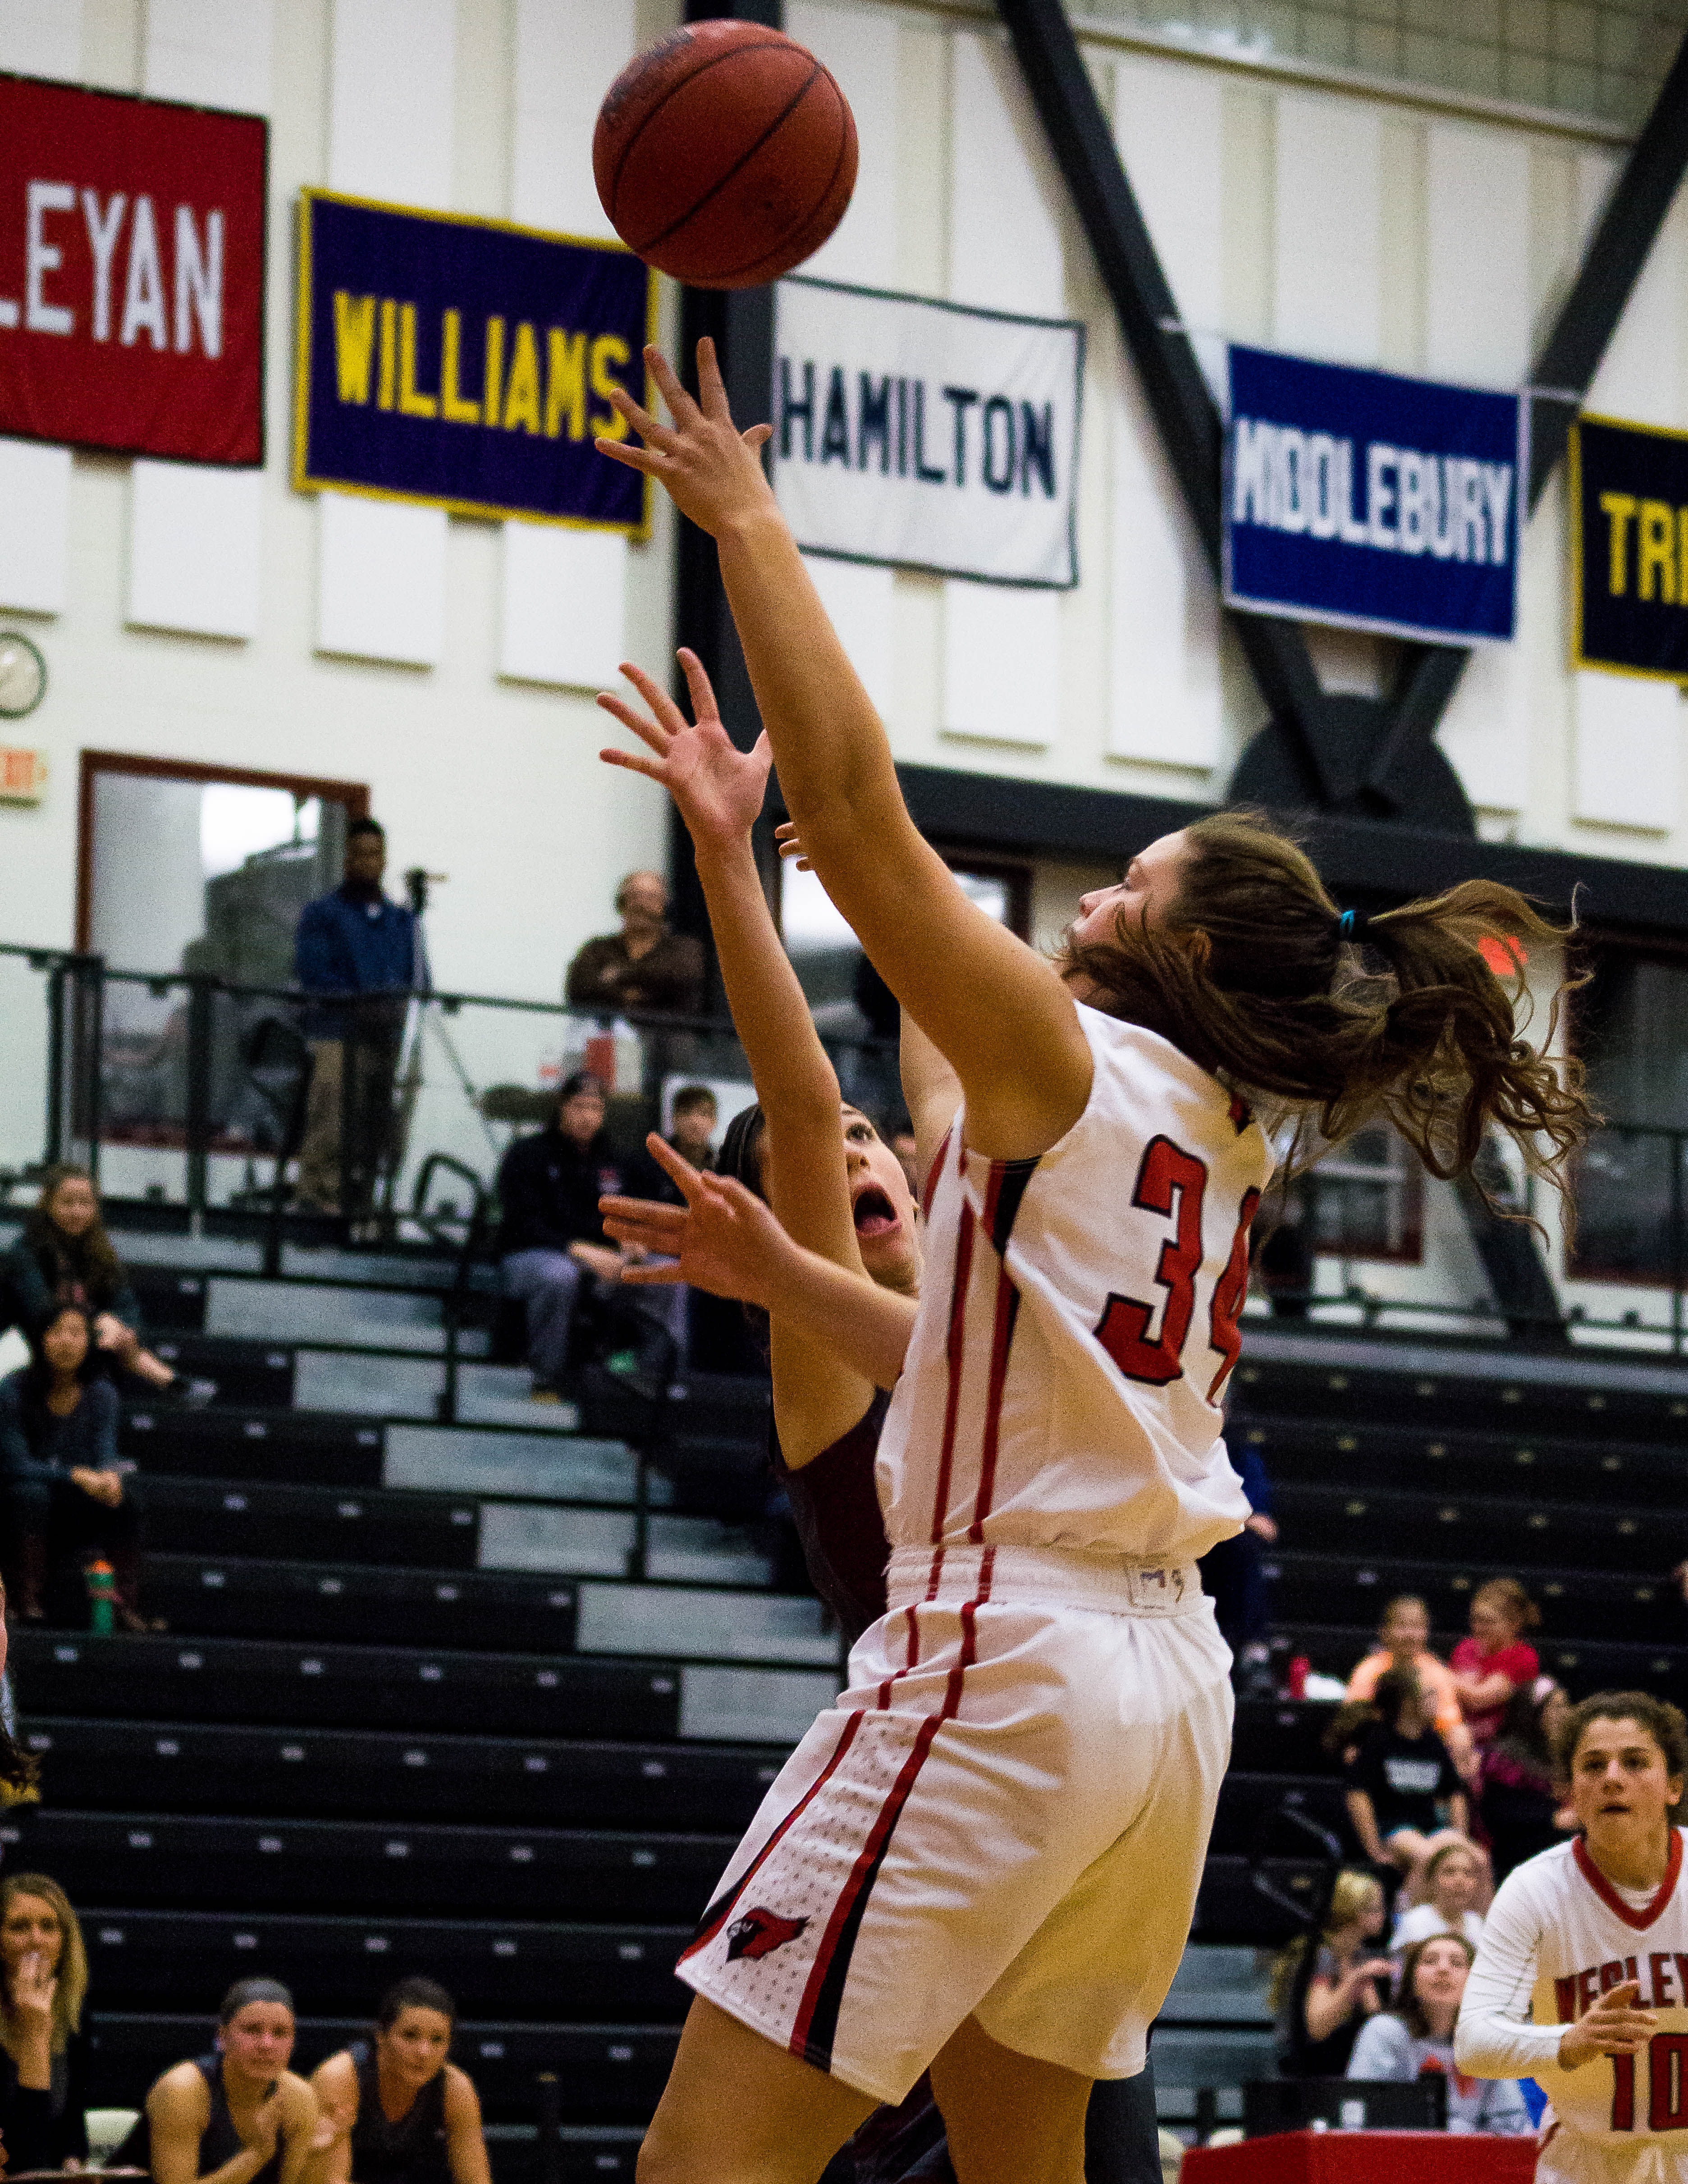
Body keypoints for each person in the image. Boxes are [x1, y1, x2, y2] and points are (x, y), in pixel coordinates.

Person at [594, 334, 1592, 2184]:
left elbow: (869, 822)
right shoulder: (1214, 1125)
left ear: (1175, 953)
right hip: (1163, 1693)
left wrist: (748, 524)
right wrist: (761, 858)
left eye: (1124, 884)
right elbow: (907, 1039)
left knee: (704, 2165)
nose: (1091, 898)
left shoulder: (1068, 1059)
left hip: (1009, 1649)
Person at [594, 681, 1158, 2184]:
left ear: (917, 1178)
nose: (848, 1148)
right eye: (820, 1162)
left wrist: (891, 869)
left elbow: (946, 1045)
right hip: (972, 1766)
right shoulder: (824, 1361)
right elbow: (799, 1097)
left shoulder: (1012, 1272)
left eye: (872, 1141)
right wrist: (733, 858)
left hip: (1039, 1752)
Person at [1457, 1691, 1688, 2182]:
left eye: (1635, 1762)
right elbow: (1474, 2040)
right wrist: (1568, 2040)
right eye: (1593, 1765)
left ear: (1674, 1786)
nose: (1612, 1778)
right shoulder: (1534, 1890)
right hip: (1585, 2160)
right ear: (1571, 1793)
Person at [496, 1074, 681, 1397]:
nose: (587, 1116)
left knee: (667, 1274)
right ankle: (547, 1378)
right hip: (532, 1254)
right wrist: (578, 1249)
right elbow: (523, 1224)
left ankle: (645, 1376)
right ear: (562, 1106)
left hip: (603, 1255)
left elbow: (637, 1208)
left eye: (595, 1108)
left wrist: (633, 1238)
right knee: (559, 1276)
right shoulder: (527, 1154)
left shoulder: (615, 1159)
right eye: (579, 1107)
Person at [293, 817, 419, 1220]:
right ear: (347, 859)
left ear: (385, 859)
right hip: (338, 1033)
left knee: (385, 1123)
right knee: (333, 1114)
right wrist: (361, 1004)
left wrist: (396, 1011)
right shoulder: (322, 914)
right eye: (360, 854)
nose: (369, 862)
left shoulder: (401, 920)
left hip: (389, 1038)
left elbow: (418, 980)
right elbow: (314, 975)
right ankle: (318, 1199)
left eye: (376, 854)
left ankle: (366, 1200)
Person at [0, 1306, 155, 1629]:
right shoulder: (13, 1390)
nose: (67, 1342)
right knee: (30, 1494)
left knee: (126, 1499)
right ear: (40, 1339)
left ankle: (123, 1606)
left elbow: (105, 1455)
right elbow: (15, 1464)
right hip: (20, 1501)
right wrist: (74, 1475)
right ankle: (25, 1600)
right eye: (57, 1332)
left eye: (76, 1333)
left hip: (74, 1502)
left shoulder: (101, 1393)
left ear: (89, 1342)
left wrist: (110, 1478)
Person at [121, 1977, 320, 2184]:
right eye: (252, 2030)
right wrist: (256, 2155)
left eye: (280, 2033)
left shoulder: (299, 2098)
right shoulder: (182, 2091)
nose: (266, 2045)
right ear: (223, 2037)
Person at [2, 1165, 180, 1393]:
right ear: (48, 1205)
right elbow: (40, 1311)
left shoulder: (101, 1252)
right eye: (67, 1203)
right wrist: (98, 1321)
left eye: (85, 1204)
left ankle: (171, 1383)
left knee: (120, 1343)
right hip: (36, 1345)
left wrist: (123, 1329)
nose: (77, 1212)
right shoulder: (25, 1251)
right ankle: (170, 1381)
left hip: (89, 1345)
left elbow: (126, 1306)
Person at [311, 1977, 490, 2184]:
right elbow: (330, 2180)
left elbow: (476, 2180)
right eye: (410, 2036)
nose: (424, 2052)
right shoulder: (340, 2077)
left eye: (437, 2040)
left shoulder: (455, 2088)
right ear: (381, 2036)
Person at [1347, 1933, 1531, 2134]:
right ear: (1411, 1979)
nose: (1443, 1969)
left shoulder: (1488, 2043)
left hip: (1470, 2152)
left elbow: (1514, 2127)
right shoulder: (1385, 2031)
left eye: (1457, 1964)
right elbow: (1358, 2113)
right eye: (1430, 1961)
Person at [0, 1872, 91, 2172]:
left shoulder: (73, 2011)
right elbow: (24, 2157)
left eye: (49, 1927)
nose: (36, 1940)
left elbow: (72, 2122)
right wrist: (34, 2039)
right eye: (19, 1927)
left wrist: (73, 2165)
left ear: (64, 1942)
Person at [1345, 1669, 1470, 1873]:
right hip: (1393, 1829)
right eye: (1430, 1695)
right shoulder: (1378, 1742)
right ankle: (1412, 1896)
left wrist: (1460, 1835)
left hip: (1430, 1828)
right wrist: (1373, 1848)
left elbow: (1455, 1793)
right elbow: (1358, 1794)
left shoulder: (1433, 1742)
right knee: (1427, 1857)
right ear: (1409, 1702)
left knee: (1475, 1859)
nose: (1437, 1700)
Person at [1271, 1869, 1393, 2078]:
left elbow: (1374, 2020)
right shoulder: (1321, 1955)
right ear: (1353, 1913)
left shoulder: (1357, 1954)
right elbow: (1318, 2028)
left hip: (1340, 2064)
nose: (1384, 1915)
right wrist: (1357, 1978)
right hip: (1306, 2068)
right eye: (1376, 1909)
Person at [1347, 1594, 1475, 1778]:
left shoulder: (1437, 1672)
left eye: (1417, 1627)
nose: (1410, 1635)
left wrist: (1460, 1744)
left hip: (1424, 1749)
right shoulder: (1369, 1669)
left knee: (1462, 1737)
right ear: (1385, 1631)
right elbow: (1353, 1719)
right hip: (1380, 1748)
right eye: (1402, 1626)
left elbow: (1450, 1722)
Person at [565, 871, 705, 1019]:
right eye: (635, 897)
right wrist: (641, 994)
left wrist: (618, 975)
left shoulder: (686, 950)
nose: (641, 905)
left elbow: (683, 987)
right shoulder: (597, 950)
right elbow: (578, 990)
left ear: (665, 906)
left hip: (664, 1032)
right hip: (607, 1030)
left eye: (651, 898)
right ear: (621, 904)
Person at [1482, 1677, 1576, 1884]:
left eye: (1566, 1706)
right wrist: (1552, 1818)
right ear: (1534, 1714)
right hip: (1519, 1853)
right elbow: (1498, 1813)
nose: (1566, 1714)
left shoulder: (1567, 1754)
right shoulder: (1505, 1758)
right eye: (1557, 1708)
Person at [1451, 1578, 1542, 1755]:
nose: (1479, 1628)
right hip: (1460, 1741)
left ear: (1513, 1624)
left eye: (1489, 1622)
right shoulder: (1466, 1647)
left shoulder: (1523, 1656)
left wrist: (1436, 1672)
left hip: (1503, 1749)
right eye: (1476, 1620)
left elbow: (1477, 1699)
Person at [1391, 1841, 1486, 1958]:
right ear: (1432, 1880)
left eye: (1468, 1873)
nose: (1460, 1881)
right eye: (1450, 1872)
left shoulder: (1476, 1923)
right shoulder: (1415, 1921)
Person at [667, 1086, 719, 1170]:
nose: (695, 1122)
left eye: (704, 1114)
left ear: (714, 1121)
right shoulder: (653, 1160)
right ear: (675, 1118)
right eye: (687, 1112)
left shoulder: (721, 1166)